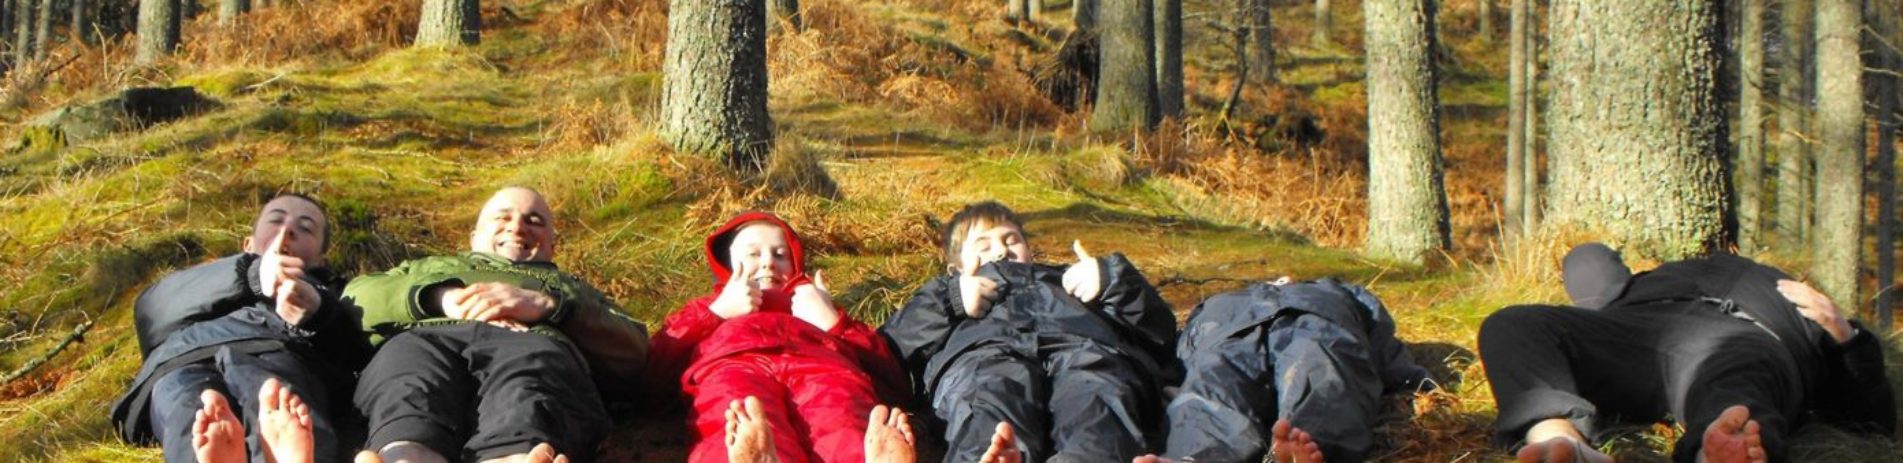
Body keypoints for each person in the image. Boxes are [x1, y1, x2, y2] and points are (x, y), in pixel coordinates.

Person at [1480, 243, 1896, 463]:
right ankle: (1560, 441)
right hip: (1636, 329)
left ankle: (1715, 452)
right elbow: (1587, 262)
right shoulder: (1632, 286)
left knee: (1735, 397)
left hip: (1751, 334)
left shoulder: (1807, 305)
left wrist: (1845, 335)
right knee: (1513, 323)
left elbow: (1870, 419)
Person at [345, 187, 650, 463]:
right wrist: (439, 298)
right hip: (426, 337)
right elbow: (354, 299)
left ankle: (514, 456)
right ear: (474, 236)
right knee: (409, 373)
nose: (517, 227)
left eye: (534, 221)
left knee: (529, 377)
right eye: (502, 218)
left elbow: (635, 351)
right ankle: (406, 456)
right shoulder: (425, 268)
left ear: (552, 247)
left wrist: (550, 306)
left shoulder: (571, 288)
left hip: (530, 342)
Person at [880, 201, 1178, 463]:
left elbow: (1160, 332)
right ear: (954, 267)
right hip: (983, 355)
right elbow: (889, 348)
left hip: (1087, 349)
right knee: (989, 405)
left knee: (1097, 401)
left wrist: (1114, 281)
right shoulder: (946, 293)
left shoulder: (1073, 278)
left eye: (1012, 239)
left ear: (1030, 251)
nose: (1000, 249)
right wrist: (951, 299)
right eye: (983, 246)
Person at [111, 192, 371, 463]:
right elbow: (153, 310)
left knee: (279, 403)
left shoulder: (336, 295)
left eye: (305, 228)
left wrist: (318, 315)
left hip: (281, 355)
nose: (288, 230)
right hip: (185, 359)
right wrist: (253, 273)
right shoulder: (206, 278)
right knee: (193, 414)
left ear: (321, 260)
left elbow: (358, 356)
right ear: (247, 243)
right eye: (276, 219)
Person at [646, 211, 911, 463]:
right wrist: (716, 313)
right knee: (736, 417)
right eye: (752, 253)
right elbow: (653, 370)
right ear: (727, 264)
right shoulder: (710, 306)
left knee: (841, 415)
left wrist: (834, 322)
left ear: (795, 263)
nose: (768, 262)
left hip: (823, 366)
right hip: (733, 364)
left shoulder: (817, 305)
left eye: (780, 254)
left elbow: (892, 377)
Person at [1138, 277, 1431, 463]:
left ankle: (1305, 450)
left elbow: (1376, 336)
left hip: (1314, 319)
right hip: (1227, 334)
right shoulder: (1217, 302)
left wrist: (1412, 379)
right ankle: (1195, 458)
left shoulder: (1334, 289)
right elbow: (1184, 354)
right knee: (1213, 380)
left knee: (1321, 367)